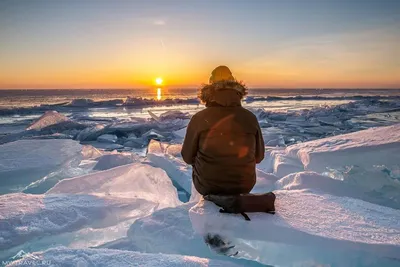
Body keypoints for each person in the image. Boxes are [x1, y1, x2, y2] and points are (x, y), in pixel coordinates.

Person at [181, 66, 265, 196]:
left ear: (210, 88)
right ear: (236, 89)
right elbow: (259, 157)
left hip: (207, 186)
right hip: (244, 186)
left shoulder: (200, 118)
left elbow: (187, 157)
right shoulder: (250, 118)